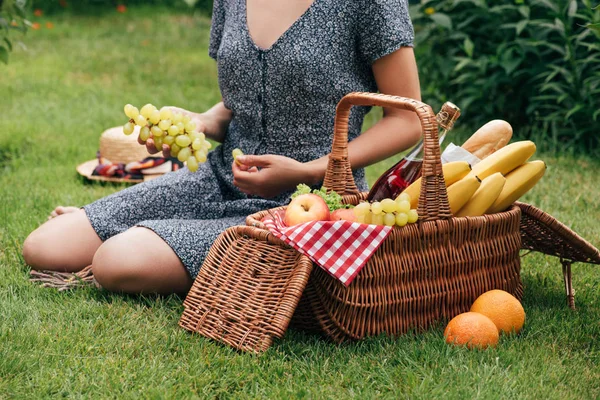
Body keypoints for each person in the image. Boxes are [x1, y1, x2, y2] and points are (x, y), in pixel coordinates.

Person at [22, 0, 422, 295]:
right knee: (45, 247)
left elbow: (408, 118)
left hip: (309, 206)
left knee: (115, 262)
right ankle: (145, 234)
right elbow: (237, 103)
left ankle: (145, 240)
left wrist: (306, 170)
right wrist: (199, 122)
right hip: (219, 177)